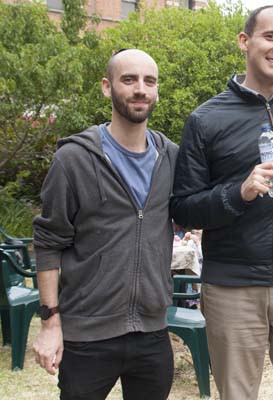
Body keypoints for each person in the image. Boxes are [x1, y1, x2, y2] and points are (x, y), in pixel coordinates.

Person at [169, 4, 273, 400]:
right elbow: (182, 207)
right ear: (244, 41)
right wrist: (239, 192)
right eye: (270, 37)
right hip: (232, 287)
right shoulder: (205, 119)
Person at [31, 49, 178, 400]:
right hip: (87, 335)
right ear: (106, 87)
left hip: (152, 333)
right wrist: (50, 322)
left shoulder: (172, 157)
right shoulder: (73, 159)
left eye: (149, 81)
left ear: (157, 91)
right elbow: (49, 242)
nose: (140, 89)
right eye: (129, 79)